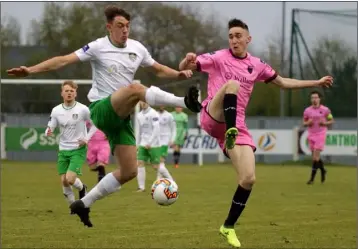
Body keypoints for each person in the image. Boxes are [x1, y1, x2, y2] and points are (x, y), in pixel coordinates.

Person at [7, 5, 201, 227]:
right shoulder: (98, 47)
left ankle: (84, 203)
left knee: (128, 171)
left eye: (128, 26)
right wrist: (30, 70)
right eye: (120, 26)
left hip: (121, 117)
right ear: (109, 28)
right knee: (136, 90)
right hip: (101, 108)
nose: (125, 30)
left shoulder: (137, 48)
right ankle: (184, 102)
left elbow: (157, 69)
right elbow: (63, 60)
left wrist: (178, 73)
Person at [178, 18, 333, 248]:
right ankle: (218, 120)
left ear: (248, 39)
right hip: (214, 116)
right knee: (232, 85)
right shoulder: (219, 57)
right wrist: (187, 60)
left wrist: (316, 82)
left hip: (237, 128)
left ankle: (228, 226)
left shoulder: (257, 64)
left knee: (248, 179)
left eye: (238, 36)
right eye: (231, 36)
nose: (234, 40)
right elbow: (184, 68)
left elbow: (282, 82)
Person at [45, 81, 97, 212]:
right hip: (63, 150)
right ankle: (74, 206)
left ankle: (82, 188)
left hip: (78, 149)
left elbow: (96, 125)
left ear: (75, 93)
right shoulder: (56, 110)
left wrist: (86, 139)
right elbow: (50, 126)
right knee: (64, 181)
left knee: (70, 178)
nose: (69, 93)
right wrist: (48, 131)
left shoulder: (83, 109)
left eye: (71, 91)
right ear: (62, 93)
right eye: (66, 91)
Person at [136, 102, 173, 192]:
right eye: (141, 101)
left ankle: (172, 182)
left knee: (156, 166)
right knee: (140, 162)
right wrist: (137, 144)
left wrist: (150, 142)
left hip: (154, 144)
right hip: (143, 143)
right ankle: (141, 187)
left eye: (145, 101)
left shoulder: (153, 113)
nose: (143, 103)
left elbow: (156, 129)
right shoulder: (139, 115)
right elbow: (139, 131)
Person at [303, 91, 334, 185]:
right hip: (311, 134)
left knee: (315, 157)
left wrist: (324, 123)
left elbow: (331, 120)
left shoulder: (325, 110)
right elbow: (304, 122)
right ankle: (323, 170)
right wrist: (308, 123)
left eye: (316, 97)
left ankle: (311, 179)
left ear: (319, 99)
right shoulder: (307, 111)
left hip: (321, 134)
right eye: (312, 98)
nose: (314, 99)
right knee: (315, 157)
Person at [158, 106, 177, 170]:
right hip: (156, 140)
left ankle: (159, 178)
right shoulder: (154, 114)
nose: (161, 105)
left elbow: (173, 128)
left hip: (165, 140)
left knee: (161, 158)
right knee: (157, 160)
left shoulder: (169, 115)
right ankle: (164, 177)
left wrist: (172, 140)